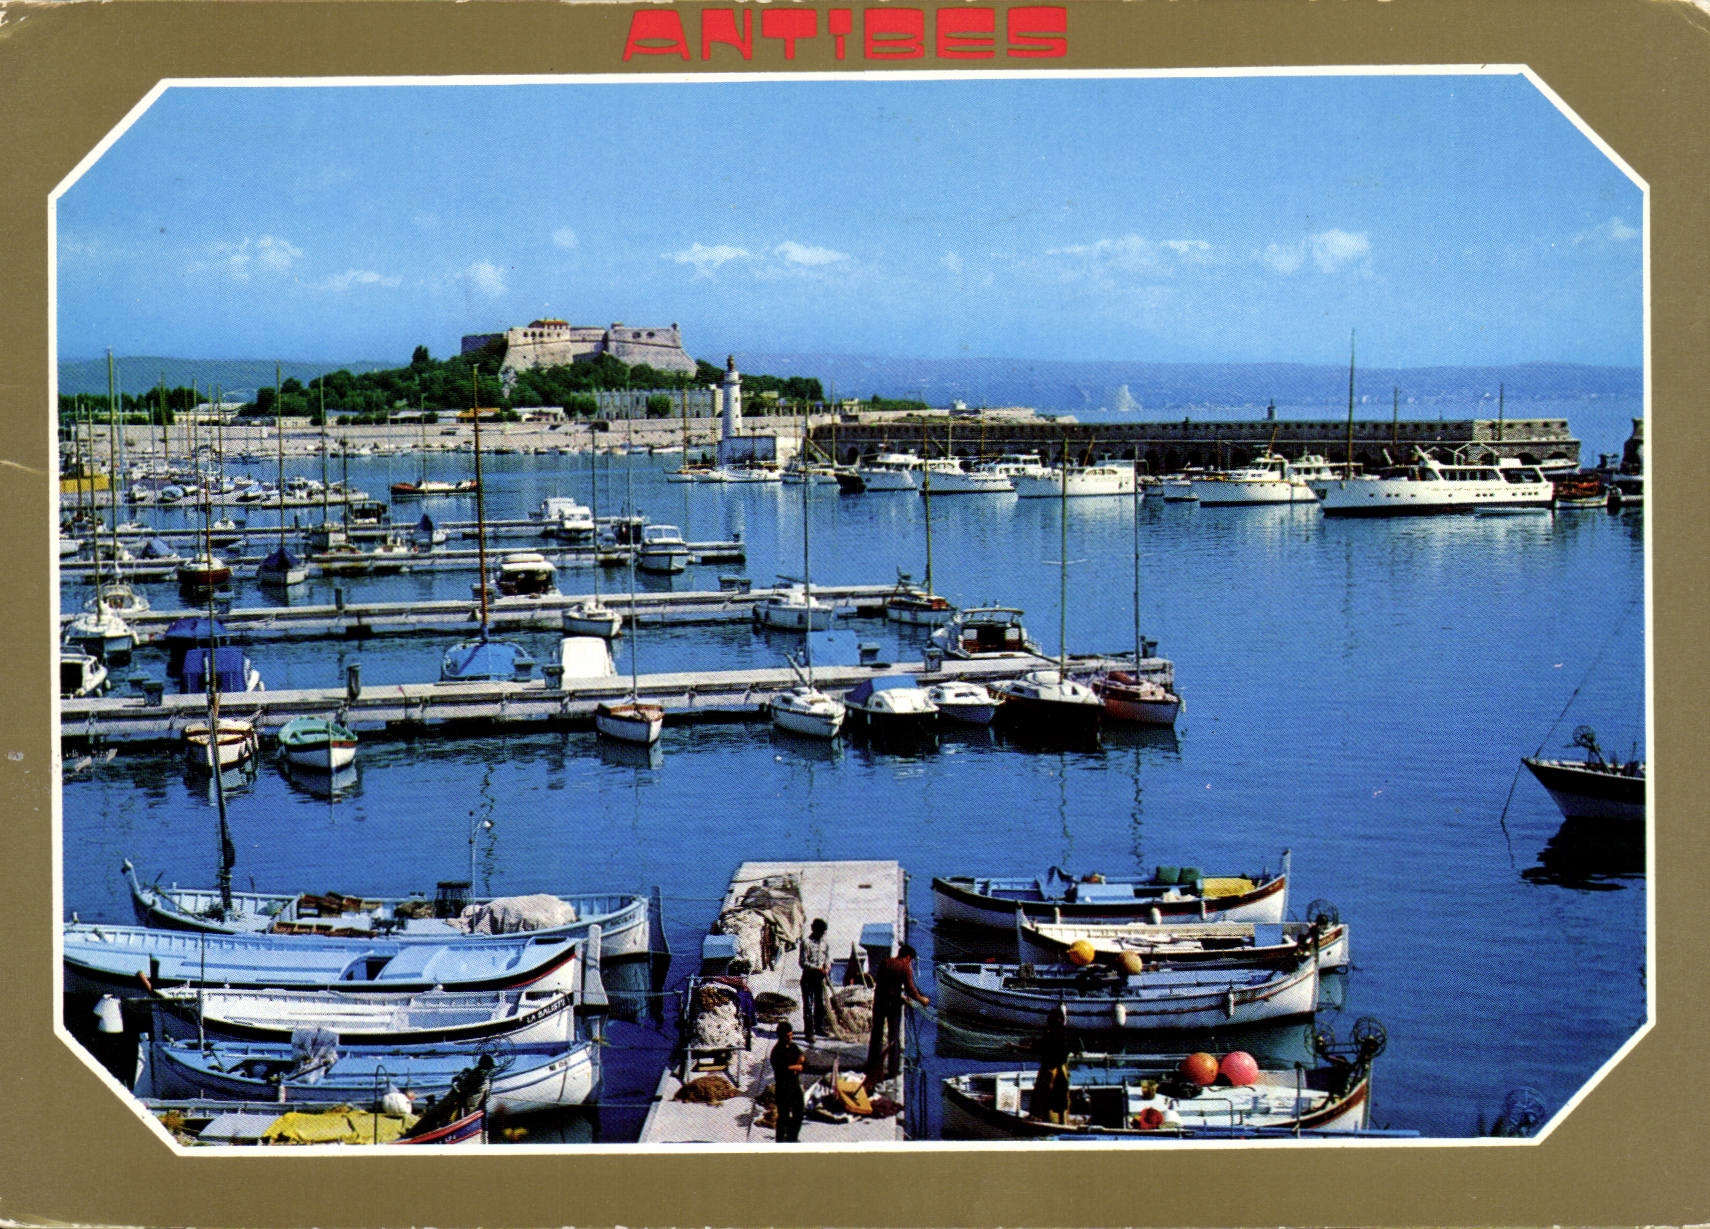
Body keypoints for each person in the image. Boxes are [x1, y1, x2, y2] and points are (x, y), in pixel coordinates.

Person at [863, 943, 929, 1093]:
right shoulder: (905, 967)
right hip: (893, 1006)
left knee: (877, 1035)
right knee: (893, 1038)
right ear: (907, 957)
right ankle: (893, 1069)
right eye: (910, 959)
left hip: (879, 1002)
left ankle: (872, 1065)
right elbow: (911, 990)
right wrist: (922, 1000)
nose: (910, 962)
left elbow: (881, 982)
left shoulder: (885, 962)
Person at [1027, 1003, 1080, 1124]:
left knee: (1043, 1096)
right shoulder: (1069, 1034)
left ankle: (1042, 1120)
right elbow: (1076, 1049)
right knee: (1061, 1100)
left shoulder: (1051, 1035)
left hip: (1049, 1071)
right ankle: (1062, 1122)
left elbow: (1037, 1049)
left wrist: (1015, 1047)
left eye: (1050, 1020)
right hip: (1062, 1071)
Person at [798, 918, 832, 1047]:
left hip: (820, 979)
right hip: (808, 978)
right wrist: (816, 968)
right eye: (820, 932)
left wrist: (827, 967)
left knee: (820, 1004)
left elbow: (827, 958)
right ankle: (809, 1032)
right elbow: (802, 962)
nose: (822, 935)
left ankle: (819, 1028)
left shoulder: (825, 943)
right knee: (808, 1005)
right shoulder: (806, 943)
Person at [770, 1020, 805, 1143]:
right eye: (787, 1036)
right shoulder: (776, 1052)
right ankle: (780, 1142)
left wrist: (801, 1059)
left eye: (791, 1035)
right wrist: (795, 1067)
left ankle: (792, 1138)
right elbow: (781, 1069)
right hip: (783, 1088)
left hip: (794, 1086)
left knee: (799, 1113)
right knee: (783, 1117)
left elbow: (801, 1056)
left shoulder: (793, 1047)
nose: (790, 1038)